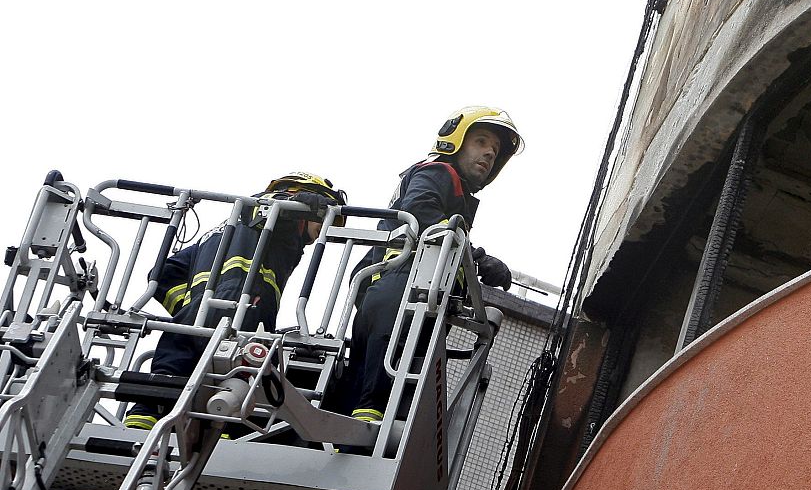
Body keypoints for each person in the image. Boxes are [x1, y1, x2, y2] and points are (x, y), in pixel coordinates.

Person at [336, 106, 520, 427]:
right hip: (399, 288)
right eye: (481, 141)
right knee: (372, 408)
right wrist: (477, 257)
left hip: (407, 294)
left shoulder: (456, 191)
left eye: (495, 150)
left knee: (372, 400)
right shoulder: (437, 172)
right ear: (456, 141)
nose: (490, 153)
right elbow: (422, 212)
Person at [124, 172, 344, 430]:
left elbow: (161, 275)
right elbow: (266, 209)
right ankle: (221, 432)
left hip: (197, 312)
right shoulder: (276, 213)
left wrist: (188, 308)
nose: (320, 234)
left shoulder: (220, 230)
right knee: (242, 375)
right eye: (323, 220)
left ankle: (143, 412)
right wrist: (298, 204)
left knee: (173, 364)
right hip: (249, 305)